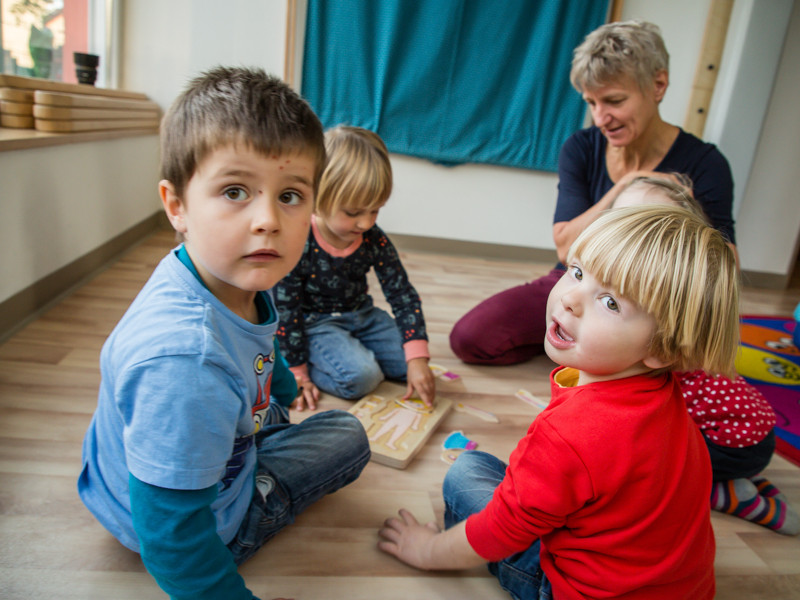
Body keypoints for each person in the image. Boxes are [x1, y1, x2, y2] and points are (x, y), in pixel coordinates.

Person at [77, 67, 371, 600]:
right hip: (184, 525)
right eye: (236, 190)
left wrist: (280, 392)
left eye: (290, 196)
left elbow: (259, 339)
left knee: (286, 417)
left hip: (128, 481)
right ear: (177, 206)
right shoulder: (185, 362)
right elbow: (173, 535)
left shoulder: (232, 271)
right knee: (348, 437)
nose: (268, 220)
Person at [380, 205, 739, 599]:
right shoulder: (667, 396)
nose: (570, 298)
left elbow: (500, 531)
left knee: (466, 473)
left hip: (575, 590)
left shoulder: (570, 433)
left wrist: (427, 550)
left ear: (663, 348)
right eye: (579, 272)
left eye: (611, 303)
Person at [449, 19, 736, 366]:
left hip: (643, 299)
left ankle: (596, 346)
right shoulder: (581, 148)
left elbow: (725, 268)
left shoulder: (706, 164)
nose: (601, 118)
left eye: (614, 101)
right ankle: (584, 344)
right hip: (576, 274)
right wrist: (628, 186)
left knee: (692, 369)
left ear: (658, 85)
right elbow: (566, 247)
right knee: (470, 338)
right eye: (591, 102)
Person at [612, 177, 799, 535]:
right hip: (750, 434)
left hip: (736, 441)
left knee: (643, 468)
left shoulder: (664, 317)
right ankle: (745, 481)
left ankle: (727, 494)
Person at [274, 125, 436, 411]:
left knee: (408, 363)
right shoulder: (299, 240)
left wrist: (417, 358)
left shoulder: (374, 238)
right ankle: (319, 359)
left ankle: (353, 353)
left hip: (364, 316)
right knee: (363, 378)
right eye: (353, 213)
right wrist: (295, 370)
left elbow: (402, 295)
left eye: (375, 210)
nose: (366, 223)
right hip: (316, 325)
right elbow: (287, 312)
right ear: (318, 197)